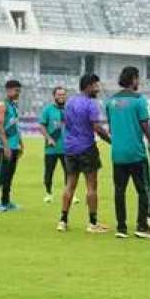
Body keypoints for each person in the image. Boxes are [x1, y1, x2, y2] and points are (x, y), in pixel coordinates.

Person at [105, 66, 150, 239]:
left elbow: (111, 128)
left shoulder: (111, 101)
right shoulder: (138, 100)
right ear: (134, 79)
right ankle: (142, 226)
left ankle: (121, 228)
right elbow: (145, 126)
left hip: (118, 153)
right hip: (136, 153)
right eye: (138, 78)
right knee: (143, 190)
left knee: (119, 191)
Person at [58, 73, 112, 233]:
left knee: (70, 184)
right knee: (91, 186)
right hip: (86, 147)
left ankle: (63, 220)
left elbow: (65, 122)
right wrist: (111, 141)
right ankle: (92, 223)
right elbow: (96, 127)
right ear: (88, 86)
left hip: (70, 148)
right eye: (96, 86)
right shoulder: (91, 104)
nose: (98, 89)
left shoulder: (69, 102)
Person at [0, 79, 24, 212]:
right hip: (5, 147)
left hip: (14, 146)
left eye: (19, 91)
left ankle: (6, 201)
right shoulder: (2, 105)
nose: (18, 93)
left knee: (9, 175)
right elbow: (0, 127)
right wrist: (6, 146)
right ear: (8, 90)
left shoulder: (13, 106)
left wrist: (21, 143)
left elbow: (15, 126)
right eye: (16, 91)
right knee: (0, 174)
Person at [40, 86, 67, 204]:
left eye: (63, 94)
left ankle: (69, 193)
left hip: (67, 148)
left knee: (69, 172)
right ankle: (48, 193)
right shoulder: (48, 110)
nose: (61, 97)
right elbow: (42, 126)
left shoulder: (69, 109)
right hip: (51, 148)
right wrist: (49, 138)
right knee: (49, 172)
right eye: (59, 94)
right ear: (54, 96)